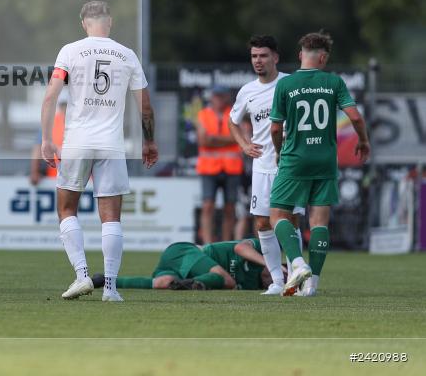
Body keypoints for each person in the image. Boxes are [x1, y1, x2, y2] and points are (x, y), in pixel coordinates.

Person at [41, 0, 158, 302]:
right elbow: (145, 106)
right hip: (111, 144)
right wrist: (149, 141)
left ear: (84, 23)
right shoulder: (127, 54)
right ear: (110, 22)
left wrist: (46, 139)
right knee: (111, 219)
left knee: (67, 209)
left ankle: (81, 275)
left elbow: (50, 96)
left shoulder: (70, 51)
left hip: (77, 142)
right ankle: (110, 288)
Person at [270, 32, 370, 297]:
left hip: (295, 157)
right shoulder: (334, 82)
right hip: (325, 159)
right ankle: (311, 284)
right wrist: (363, 141)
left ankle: (298, 264)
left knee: (278, 215)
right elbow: (356, 117)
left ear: (301, 54)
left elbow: (275, 128)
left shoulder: (286, 84)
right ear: (323, 57)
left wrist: (280, 151)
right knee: (319, 223)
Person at [228, 35, 306, 295]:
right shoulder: (247, 91)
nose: (258, 61)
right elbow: (233, 120)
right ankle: (277, 281)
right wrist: (243, 144)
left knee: (291, 220)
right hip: (261, 165)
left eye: (263, 56)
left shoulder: (291, 84)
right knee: (262, 223)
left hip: (289, 163)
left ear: (275, 57)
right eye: (254, 56)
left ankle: (298, 277)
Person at [94, 239, 275, 292]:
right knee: (227, 280)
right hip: (184, 253)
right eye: (275, 274)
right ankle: (192, 283)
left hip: (176, 270)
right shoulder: (262, 251)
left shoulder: (256, 286)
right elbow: (240, 247)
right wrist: (268, 263)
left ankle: (106, 281)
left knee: (162, 283)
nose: (271, 280)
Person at [196, 85, 243, 244]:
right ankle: (208, 245)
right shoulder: (204, 114)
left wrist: (214, 139)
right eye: (216, 96)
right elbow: (203, 140)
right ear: (212, 97)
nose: (219, 99)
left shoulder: (234, 113)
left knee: (230, 208)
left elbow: (240, 138)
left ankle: (225, 244)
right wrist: (230, 139)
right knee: (208, 205)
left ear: (226, 97)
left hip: (232, 167)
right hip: (209, 168)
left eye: (221, 96)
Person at [29, 91, 67, 185]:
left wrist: (35, 172)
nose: (65, 108)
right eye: (64, 105)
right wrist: (35, 172)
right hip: (54, 177)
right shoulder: (51, 122)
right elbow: (38, 149)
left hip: (74, 177)